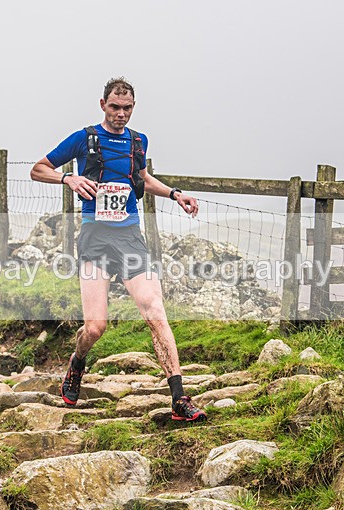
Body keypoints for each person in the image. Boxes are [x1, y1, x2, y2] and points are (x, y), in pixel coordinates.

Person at [30, 77, 207, 422]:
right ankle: (77, 363)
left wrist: (175, 194)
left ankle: (179, 399)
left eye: (126, 108)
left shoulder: (138, 141)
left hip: (129, 238)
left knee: (154, 309)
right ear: (102, 105)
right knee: (96, 327)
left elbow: (142, 178)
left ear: (133, 108)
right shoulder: (84, 138)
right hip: (95, 238)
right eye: (114, 107)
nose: (120, 114)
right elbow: (38, 169)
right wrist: (68, 178)